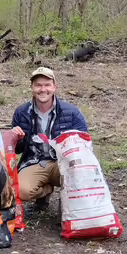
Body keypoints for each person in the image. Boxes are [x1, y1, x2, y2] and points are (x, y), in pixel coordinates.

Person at [11, 67, 87, 211]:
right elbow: (16, 149)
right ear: (32, 87)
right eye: (38, 85)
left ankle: (67, 207)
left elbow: (84, 144)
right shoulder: (22, 112)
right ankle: (46, 191)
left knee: (79, 177)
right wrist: (16, 138)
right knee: (21, 191)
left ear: (54, 87)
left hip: (63, 163)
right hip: (35, 162)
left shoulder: (71, 112)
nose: (43, 89)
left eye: (47, 85)